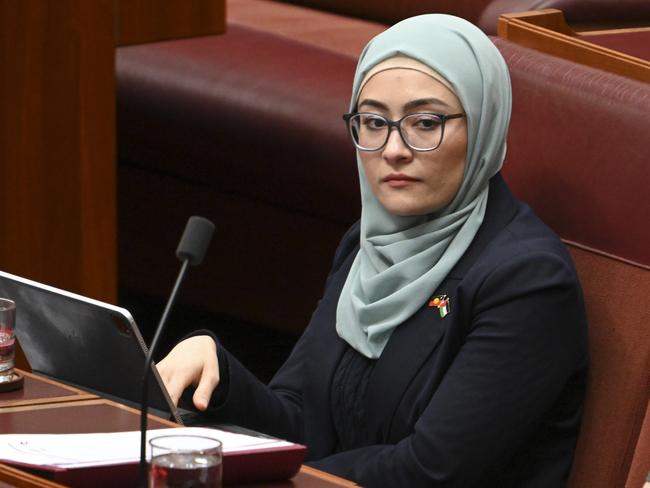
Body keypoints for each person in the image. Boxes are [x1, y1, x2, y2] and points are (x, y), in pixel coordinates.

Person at [157, 14, 589, 487]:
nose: (394, 149)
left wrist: (245, 472)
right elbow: (302, 424)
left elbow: (428, 471)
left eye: (425, 123)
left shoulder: (528, 282)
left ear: (484, 125)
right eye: (374, 122)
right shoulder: (369, 244)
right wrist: (221, 376)